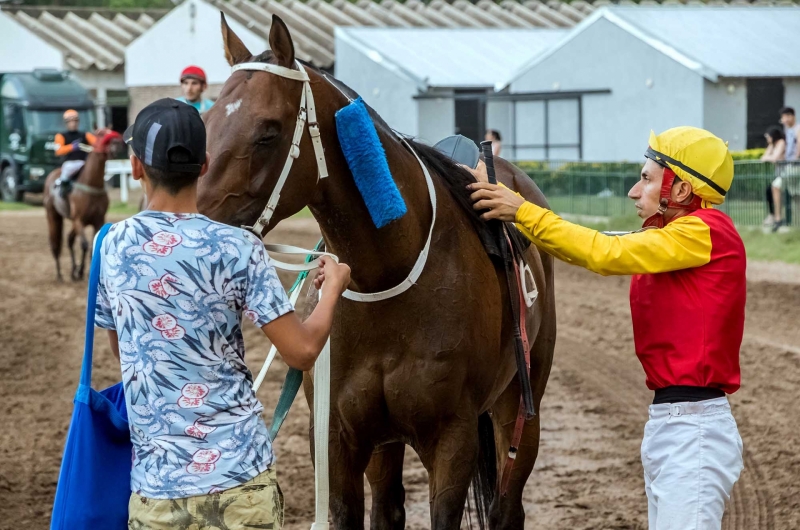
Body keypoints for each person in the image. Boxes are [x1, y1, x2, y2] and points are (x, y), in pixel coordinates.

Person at [467, 126, 745, 530]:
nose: (634, 191)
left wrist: (520, 209)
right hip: (673, 425)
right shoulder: (672, 237)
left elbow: (603, 252)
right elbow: (592, 242)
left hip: (693, 433)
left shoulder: (706, 233)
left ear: (681, 191)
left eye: (647, 179)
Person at [96, 98, 351, 529]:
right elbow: (303, 351)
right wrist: (334, 288)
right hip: (240, 481)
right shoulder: (238, 248)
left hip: (159, 489)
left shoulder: (111, 245)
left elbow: (124, 354)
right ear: (205, 165)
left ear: (136, 166)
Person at [53, 109, 96, 197]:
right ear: (66, 123)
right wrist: (72, 147)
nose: (73, 123)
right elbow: (58, 151)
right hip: (70, 163)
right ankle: (62, 191)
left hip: (84, 163)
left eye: (75, 121)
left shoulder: (85, 135)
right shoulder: (60, 136)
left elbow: (96, 144)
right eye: (70, 121)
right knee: (67, 172)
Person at [760, 126, 786, 227]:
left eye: (768, 136)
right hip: (778, 172)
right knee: (769, 190)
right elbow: (764, 157)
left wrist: (768, 158)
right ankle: (772, 215)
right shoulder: (773, 145)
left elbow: (774, 158)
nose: (767, 139)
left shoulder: (781, 143)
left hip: (784, 171)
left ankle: (777, 218)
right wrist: (770, 147)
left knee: (774, 189)